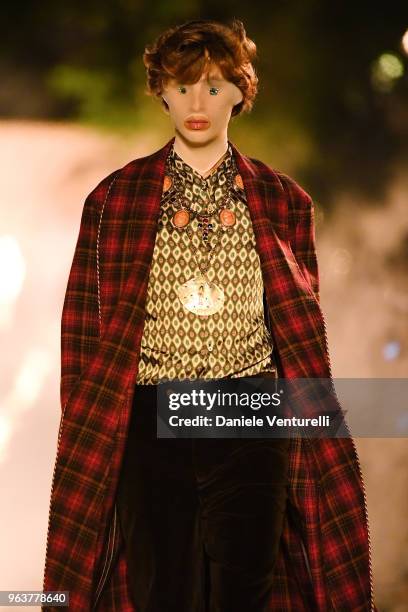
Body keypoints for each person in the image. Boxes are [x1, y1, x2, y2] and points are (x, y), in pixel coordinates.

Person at [42, 18, 376, 612]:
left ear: (241, 94)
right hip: (151, 421)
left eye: (216, 86)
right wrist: (95, 441)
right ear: (161, 91)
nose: (198, 103)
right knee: (160, 596)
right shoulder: (113, 201)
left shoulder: (283, 201)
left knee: (246, 595)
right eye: (183, 85)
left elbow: (301, 336)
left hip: (247, 418)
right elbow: (83, 339)